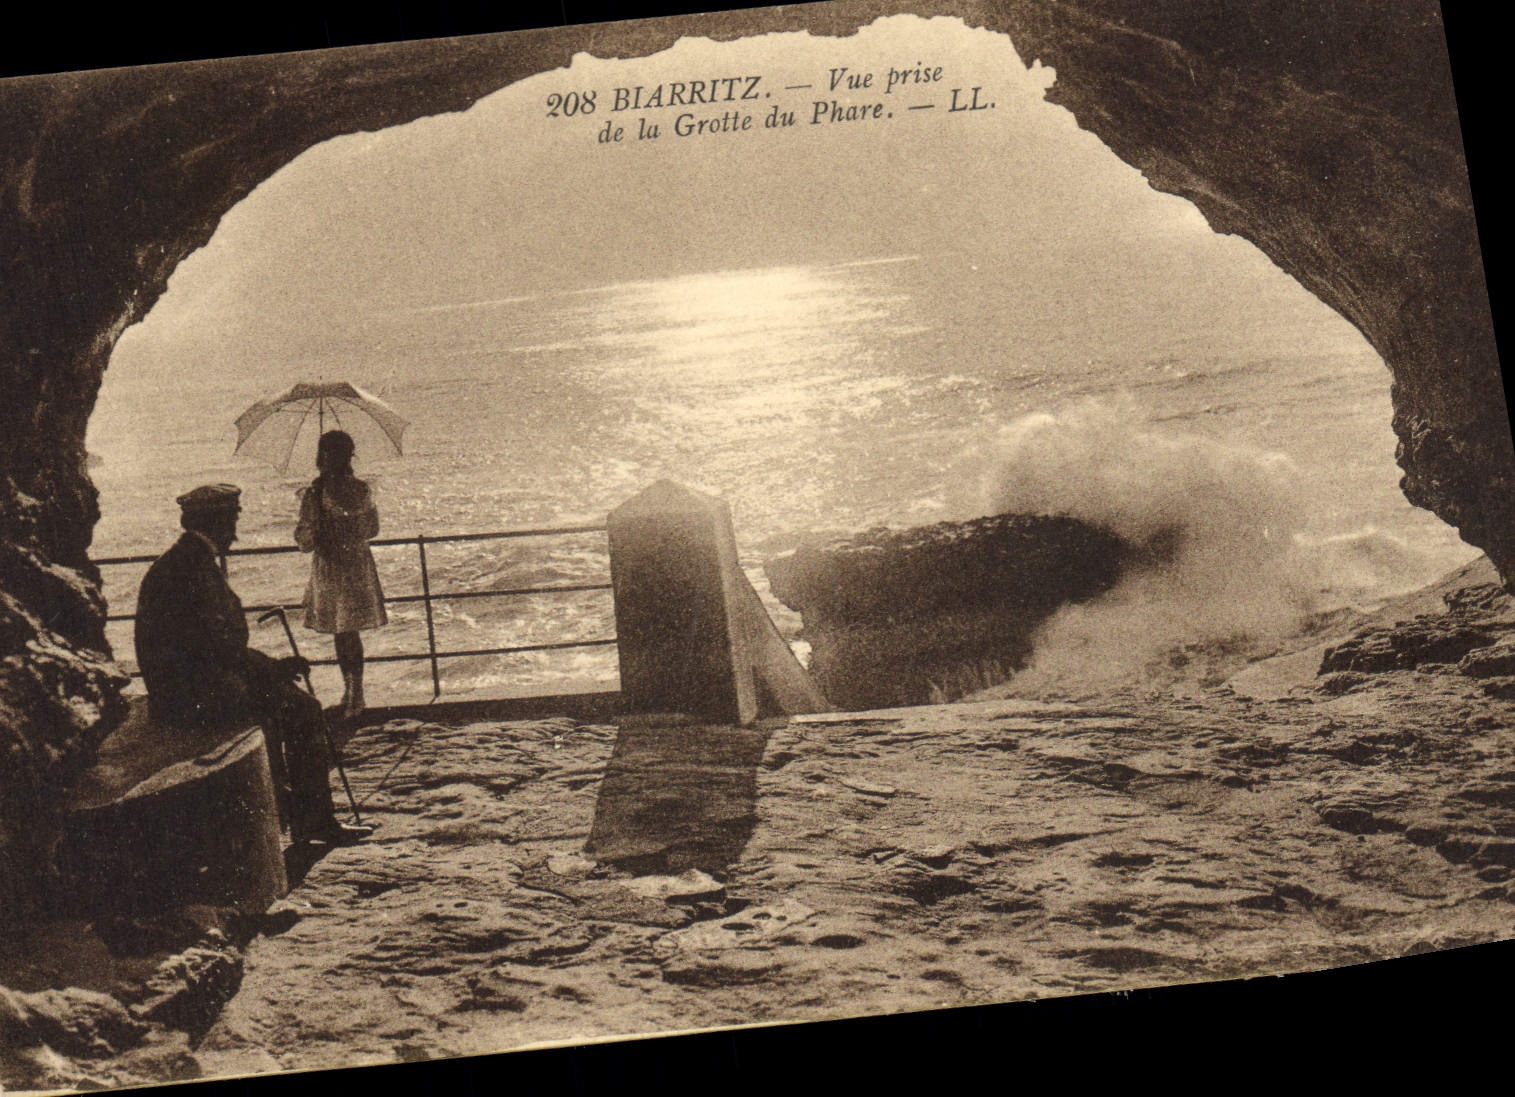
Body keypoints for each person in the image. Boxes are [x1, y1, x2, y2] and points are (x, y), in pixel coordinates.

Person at [135, 483, 368, 846]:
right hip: (194, 693)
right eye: (232, 520)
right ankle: (314, 822)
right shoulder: (193, 568)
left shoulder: (184, 561)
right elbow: (219, 647)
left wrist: (273, 667)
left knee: (285, 698)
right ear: (217, 522)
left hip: (184, 686)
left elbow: (215, 646)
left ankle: (295, 811)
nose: (235, 531)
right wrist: (274, 668)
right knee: (305, 709)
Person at [295, 430, 388, 719]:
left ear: (322, 457)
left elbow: (304, 542)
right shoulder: (362, 489)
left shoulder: (315, 493)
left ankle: (352, 695)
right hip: (357, 564)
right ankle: (354, 693)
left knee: (341, 631)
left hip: (332, 566)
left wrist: (317, 525)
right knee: (349, 631)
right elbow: (372, 530)